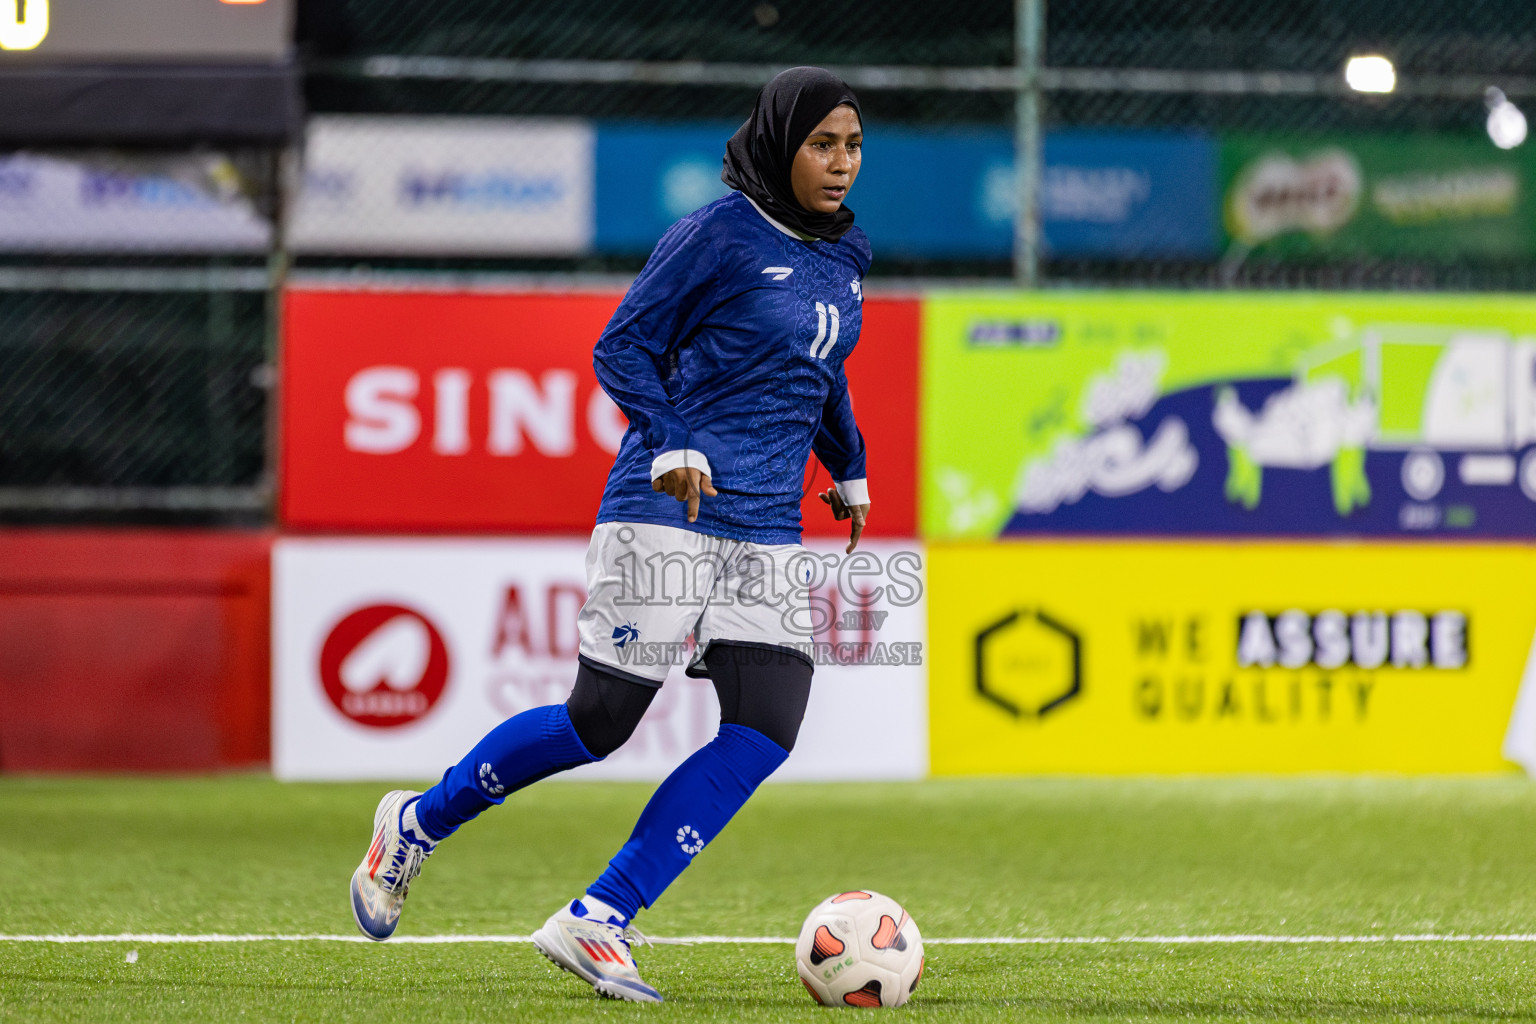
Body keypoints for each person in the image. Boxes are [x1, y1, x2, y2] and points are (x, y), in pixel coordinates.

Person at [347, 66, 873, 1004]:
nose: (841, 163)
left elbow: (818, 368)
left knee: (766, 727)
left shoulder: (845, 252)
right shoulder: (717, 234)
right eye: (822, 143)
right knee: (600, 723)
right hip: (668, 506)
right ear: (778, 143)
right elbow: (622, 343)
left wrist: (850, 462)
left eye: (853, 144)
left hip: (767, 525)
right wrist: (673, 443)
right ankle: (416, 824)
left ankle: (599, 916)